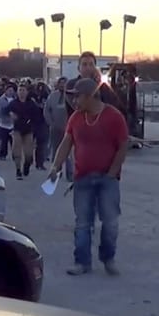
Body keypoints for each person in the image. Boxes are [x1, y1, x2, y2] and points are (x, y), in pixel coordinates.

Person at [48, 78, 129, 277]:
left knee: (110, 222)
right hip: (82, 178)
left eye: (78, 96)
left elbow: (123, 146)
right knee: (83, 223)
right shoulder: (75, 118)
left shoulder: (114, 117)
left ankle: (108, 257)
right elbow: (66, 144)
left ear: (90, 96)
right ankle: (82, 262)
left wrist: (112, 173)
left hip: (107, 179)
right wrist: (55, 166)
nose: (74, 101)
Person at [4, 84, 37, 180]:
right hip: (17, 129)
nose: (21, 92)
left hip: (28, 130)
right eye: (20, 90)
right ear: (17, 92)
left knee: (28, 153)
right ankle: (18, 170)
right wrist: (10, 113)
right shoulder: (14, 103)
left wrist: (32, 123)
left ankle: (27, 164)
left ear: (27, 92)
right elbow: (4, 111)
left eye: (23, 90)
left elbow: (37, 115)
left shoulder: (31, 103)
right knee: (16, 150)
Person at [44, 77, 73, 180]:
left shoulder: (71, 96)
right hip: (55, 128)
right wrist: (51, 123)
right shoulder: (52, 96)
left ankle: (70, 174)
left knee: (69, 152)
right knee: (56, 151)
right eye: (60, 83)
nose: (62, 85)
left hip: (69, 129)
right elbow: (47, 110)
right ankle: (56, 172)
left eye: (64, 83)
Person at [0, 85, 16, 160]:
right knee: (4, 141)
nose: (11, 92)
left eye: (12, 91)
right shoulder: (1, 100)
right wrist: (6, 115)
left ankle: (15, 155)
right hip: (4, 124)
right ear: (6, 91)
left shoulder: (15, 99)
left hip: (13, 124)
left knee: (14, 142)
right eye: (9, 90)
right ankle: (3, 155)